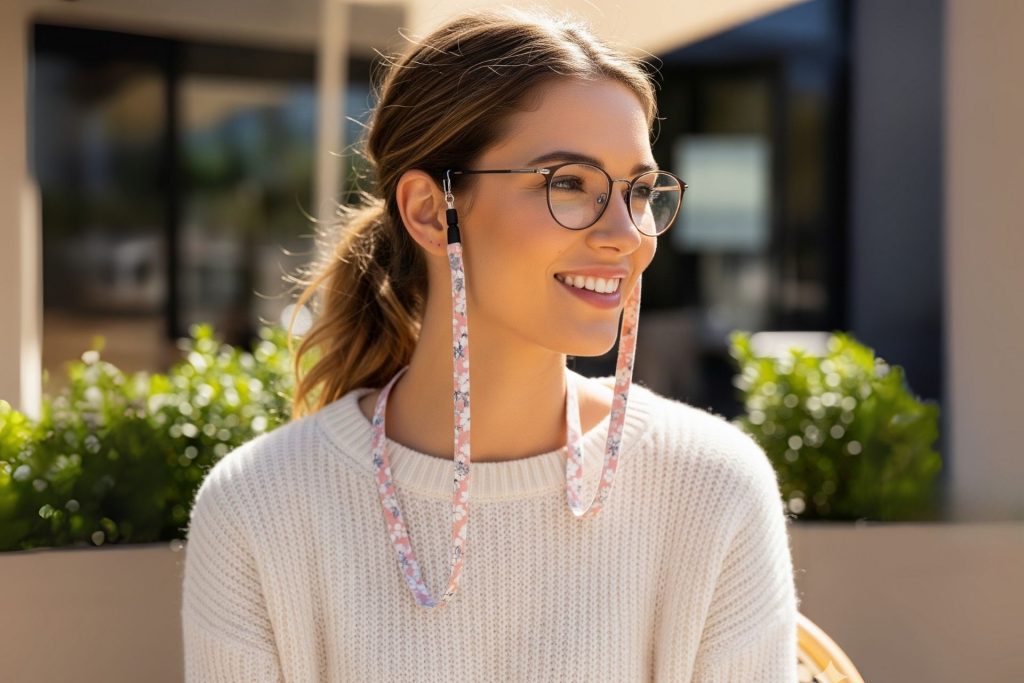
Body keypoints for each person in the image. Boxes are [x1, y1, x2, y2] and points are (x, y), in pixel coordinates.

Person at [181, 6, 799, 681]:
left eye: (640, 191)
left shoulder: (711, 487)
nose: (627, 234)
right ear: (428, 209)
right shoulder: (258, 506)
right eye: (570, 184)